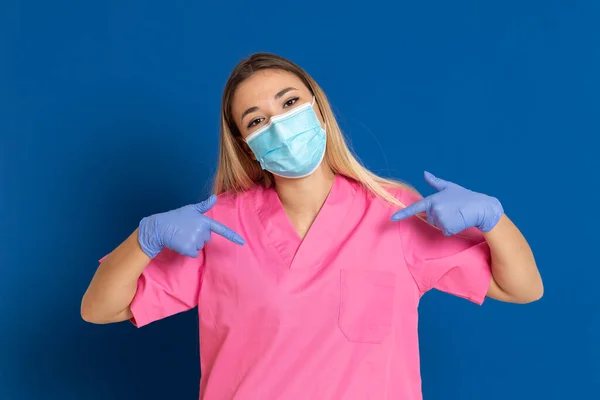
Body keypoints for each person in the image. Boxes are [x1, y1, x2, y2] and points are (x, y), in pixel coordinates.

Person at [81, 52, 543, 400]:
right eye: (257, 119)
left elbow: (522, 288)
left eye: (290, 103)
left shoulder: (394, 212)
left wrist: (494, 220)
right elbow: (99, 309)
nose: (279, 125)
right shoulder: (217, 226)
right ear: (245, 145)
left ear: (318, 109)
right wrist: (144, 239)